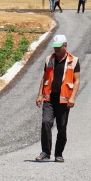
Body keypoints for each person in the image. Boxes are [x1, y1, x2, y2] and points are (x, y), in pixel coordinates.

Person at [35, 34, 80, 162]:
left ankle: (59, 154)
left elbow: (77, 81)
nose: (56, 50)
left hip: (64, 100)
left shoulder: (74, 60)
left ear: (65, 46)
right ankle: (45, 152)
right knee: (46, 122)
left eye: (59, 47)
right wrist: (39, 95)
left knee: (62, 127)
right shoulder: (49, 59)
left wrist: (72, 97)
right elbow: (44, 78)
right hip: (49, 98)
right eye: (55, 47)